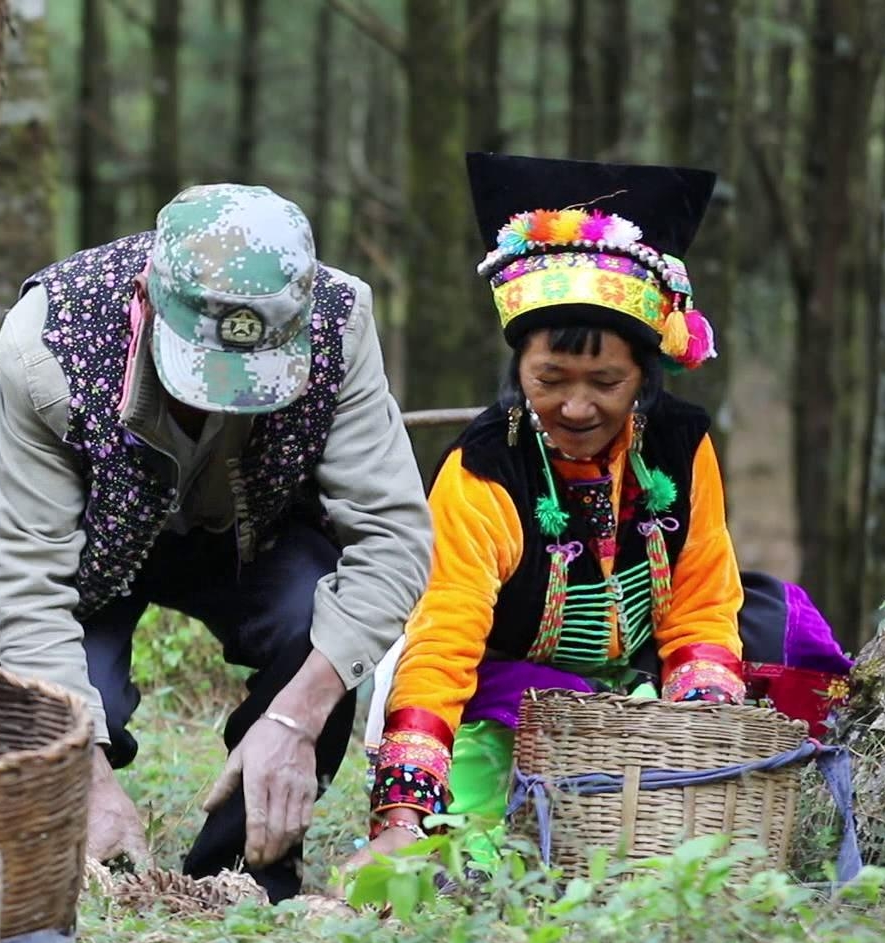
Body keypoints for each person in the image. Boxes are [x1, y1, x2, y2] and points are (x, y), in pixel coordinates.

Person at [349, 152, 853, 868]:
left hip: (650, 673)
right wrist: (402, 815)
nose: (577, 407)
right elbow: (445, 640)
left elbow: (703, 594)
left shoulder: (682, 444)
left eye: (606, 381)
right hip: (513, 687)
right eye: (550, 379)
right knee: (470, 843)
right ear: (517, 371)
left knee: (782, 634)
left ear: (644, 378)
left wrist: (697, 727)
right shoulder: (482, 469)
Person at [0, 183, 433, 901]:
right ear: (147, 297)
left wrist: (297, 716)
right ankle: (88, 854)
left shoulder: (339, 322)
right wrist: (83, 765)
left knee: (311, 614)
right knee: (75, 709)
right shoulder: (47, 342)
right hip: (88, 542)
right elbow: (20, 574)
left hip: (254, 530)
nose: (217, 401)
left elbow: (392, 536)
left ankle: (244, 870)